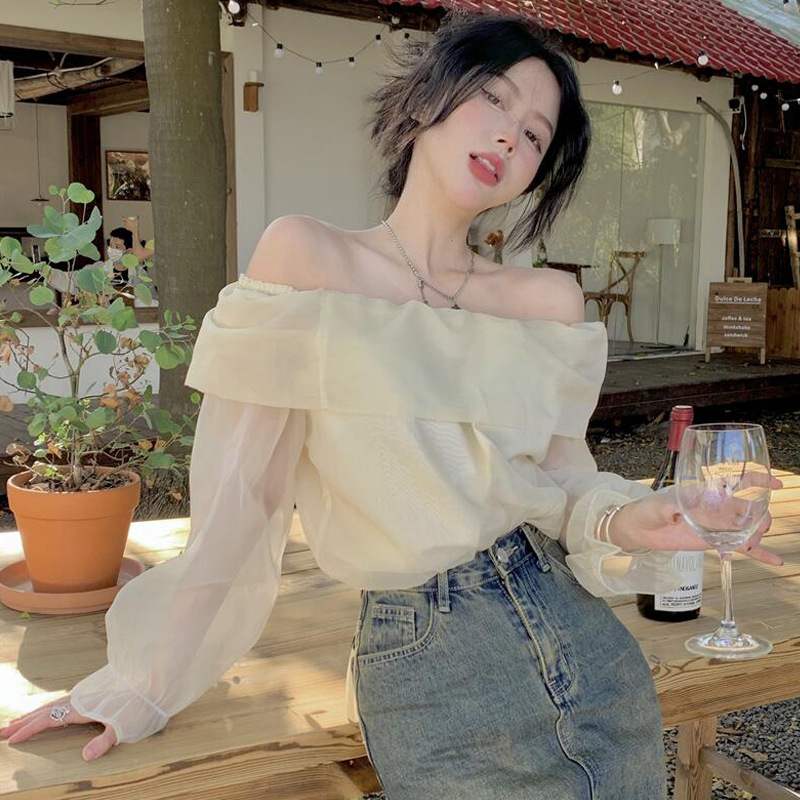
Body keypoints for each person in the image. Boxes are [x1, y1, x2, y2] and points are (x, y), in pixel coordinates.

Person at [1, 15, 782, 799]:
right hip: (429, 663)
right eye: (493, 98)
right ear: (427, 97)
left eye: (535, 136)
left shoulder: (546, 301)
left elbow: (563, 480)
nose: (509, 136)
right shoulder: (307, 259)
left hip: (584, 649)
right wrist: (140, 687)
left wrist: (633, 518)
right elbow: (245, 500)